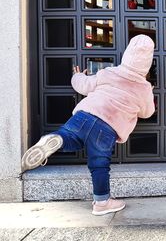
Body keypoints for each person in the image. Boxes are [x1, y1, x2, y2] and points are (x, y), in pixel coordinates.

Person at [21, 34, 155, 216]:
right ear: (147, 64)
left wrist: (77, 76)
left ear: (126, 55)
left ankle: (56, 139)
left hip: (85, 114)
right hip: (107, 126)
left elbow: (83, 86)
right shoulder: (143, 88)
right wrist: (148, 93)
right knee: (99, 164)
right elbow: (147, 112)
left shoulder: (109, 72)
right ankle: (101, 202)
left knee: (71, 137)